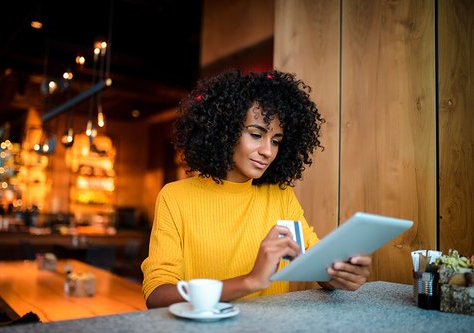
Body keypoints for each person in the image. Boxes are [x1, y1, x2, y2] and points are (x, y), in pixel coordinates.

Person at [141, 70, 371, 308]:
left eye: (276, 141)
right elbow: (157, 295)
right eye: (256, 134)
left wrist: (341, 273)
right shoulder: (175, 197)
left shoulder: (279, 196)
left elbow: (315, 263)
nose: (268, 151)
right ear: (224, 131)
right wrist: (250, 281)